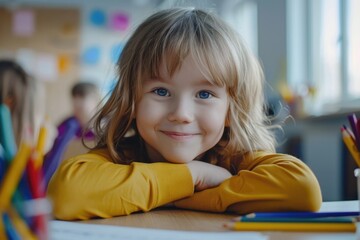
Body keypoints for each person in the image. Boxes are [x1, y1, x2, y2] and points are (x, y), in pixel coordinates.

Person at [47, 8, 322, 220]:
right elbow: (66, 195)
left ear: (231, 108)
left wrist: (174, 196)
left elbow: (302, 188)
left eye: (204, 94)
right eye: (161, 91)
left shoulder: (236, 158)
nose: (181, 114)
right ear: (132, 99)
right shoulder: (121, 155)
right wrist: (192, 177)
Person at [42, 82, 100, 186]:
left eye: (82, 97)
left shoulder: (101, 131)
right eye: (74, 97)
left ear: (96, 100)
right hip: (54, 178)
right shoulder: (68, 124)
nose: (77, 102)